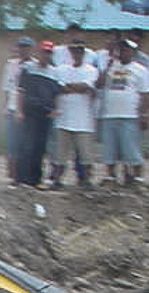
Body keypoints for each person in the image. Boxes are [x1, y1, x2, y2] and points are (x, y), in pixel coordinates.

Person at [96, 40, 149, 187]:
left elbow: (146, 94)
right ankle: (110, 176)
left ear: (133, 52)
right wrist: (107, 68)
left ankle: (137, 177)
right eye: (120, 49)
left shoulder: (140, 70)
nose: (122, 52)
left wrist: (144, 114)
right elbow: (99, 84)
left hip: (130, 115)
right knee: (110, 148)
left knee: (132, 149)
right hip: (110, 114)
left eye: (126, 50)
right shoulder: (111, 68)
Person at [51, 41, 98, 188]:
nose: (76, 54)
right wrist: (77, 87)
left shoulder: (90, 70)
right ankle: (57, 180)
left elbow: (86, 87)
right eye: (74, 51)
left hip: (83, 119)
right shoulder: (61, 69)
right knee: (60, 154)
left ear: (83, 53)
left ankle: (87, 180)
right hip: (64, 117)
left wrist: (69, 87)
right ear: (70, 53)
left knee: (86, 154)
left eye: (79, 51)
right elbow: (58, 87)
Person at [14, 40, 59, 189]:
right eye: (43, 52)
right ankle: (21, 178)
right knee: (26, 145)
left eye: (48, 53)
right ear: (39, 52)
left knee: (40, 148)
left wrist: (55, 109)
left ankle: (35, 179)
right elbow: (21, 91)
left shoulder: (54, 72)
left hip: (45, 115)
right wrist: (19, 110)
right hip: (29, 113)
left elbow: (56, 94)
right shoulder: (28, 69)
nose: (45, 55)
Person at [1, 36, 34, 183]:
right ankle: (13, 175)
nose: (23, 50)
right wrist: (6, 106)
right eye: (21, 47)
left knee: (27, 144)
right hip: (13, 108)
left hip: (29, 110)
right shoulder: (11, 65)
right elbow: (7, 88)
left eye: (26, 47)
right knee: (12, 144)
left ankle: (26, 174)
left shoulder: (35, 65)